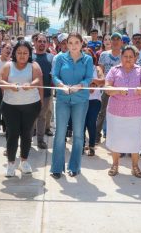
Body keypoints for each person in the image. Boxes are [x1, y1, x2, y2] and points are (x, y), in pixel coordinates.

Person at [51, 32, 93, 179]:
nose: (73, 46)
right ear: (66, 44)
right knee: (60, 134)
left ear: (82, 44)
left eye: (76, 42)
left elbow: (89, 78)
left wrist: (80, 85)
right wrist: (61, 85)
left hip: (80, 100)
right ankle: (56, 168)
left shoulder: (88, 59)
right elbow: (54, 75)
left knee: (78, 134)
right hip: (62, 99)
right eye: (70, 43)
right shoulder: (60, 58)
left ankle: (74, 167)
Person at [0, 41, 42, 177]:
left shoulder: (34, 65)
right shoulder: (8, 65)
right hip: (10, 106)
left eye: (25, 53)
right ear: (14, 53)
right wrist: (9, 86)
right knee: (12, 134)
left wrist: (30, 84)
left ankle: (24, 161)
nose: (22, 56)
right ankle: (11, 163)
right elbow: (1, 81)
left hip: (31, 106)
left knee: (27, 134)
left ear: (29, 54)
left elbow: (38, 80)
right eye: (19, 53)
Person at [105, 45, 141, 177]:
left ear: (135, 58)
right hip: (116, 111)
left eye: (131, 57)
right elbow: (107, 88)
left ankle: (135, 166)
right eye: (125, 56)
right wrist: (118, 90)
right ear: (121, 57)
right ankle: (115, 165)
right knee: (115, 138)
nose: (128, 59)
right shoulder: (114, 70)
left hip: (136, 112)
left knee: (135, 140)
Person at [96, 32, 123, 143]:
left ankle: (115, 135)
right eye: (113, 39)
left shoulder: (125, 54)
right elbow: (100, 68)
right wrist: (102, 77)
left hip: (120, 89)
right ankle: (97, 135)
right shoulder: (104, 55)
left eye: (118, 39)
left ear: (121, 42)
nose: (115, 41)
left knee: (119, 113)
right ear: (110, 42)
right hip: (106, 87)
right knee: (101, 112)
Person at [33, 34, 54, 149]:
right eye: (39, 41)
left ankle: (40, 140)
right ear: (35, 43)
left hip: (46, 93)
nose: (41, 43)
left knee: (42, 116)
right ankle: (29, 137)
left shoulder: (51, 57)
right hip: (30, 93)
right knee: (30, 117)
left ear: (47, 44)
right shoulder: (30, 57)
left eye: (44, 41)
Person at [82, 47, 105, 156]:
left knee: (91, 123)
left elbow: (103, 81)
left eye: (89, 56)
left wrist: (93, 82)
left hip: (95, 100)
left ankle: (91, 146)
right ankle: (80, 146)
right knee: (81, 123)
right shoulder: (78, 68)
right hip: (81, 99)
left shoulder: (97, 69)